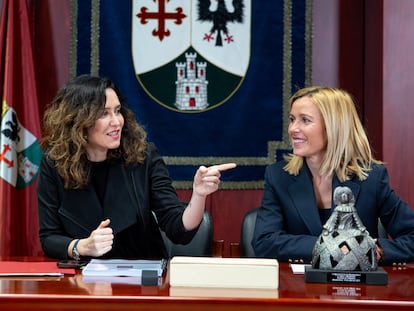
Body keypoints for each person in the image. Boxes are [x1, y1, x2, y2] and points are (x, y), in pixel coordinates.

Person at [37, 75, 236, 260]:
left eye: (117, 111)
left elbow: (178, 229)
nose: (117, 122)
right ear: (78, 121)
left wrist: (198, 195)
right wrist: (82, 247)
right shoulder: (54, 162)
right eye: (104, 114)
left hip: (142, 277)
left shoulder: (143, 156)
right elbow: (49, 237)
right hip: (83, 279)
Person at [252, 86, 414, 265]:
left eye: (305, 120)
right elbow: (264, 242)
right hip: (297, 287)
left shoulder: (371, 178)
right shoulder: (278, 176)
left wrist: (378, 250)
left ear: (333, 127)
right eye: (292, 119)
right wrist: (332, 246)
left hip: (358, 289)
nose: (292, 129)